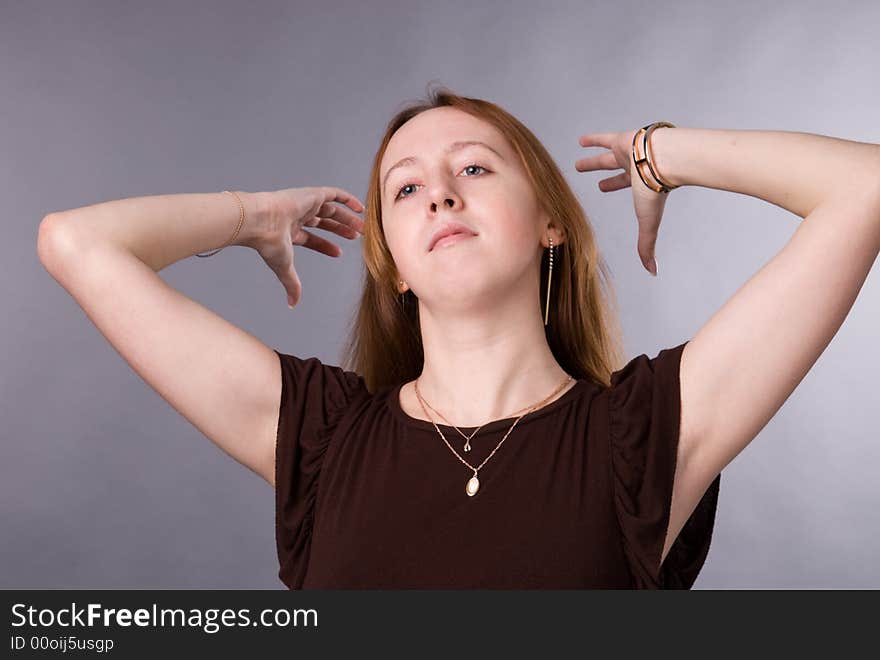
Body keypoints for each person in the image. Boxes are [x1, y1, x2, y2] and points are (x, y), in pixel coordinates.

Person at [37, 86, 880, 589]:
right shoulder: (321, 439)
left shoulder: (646, 432)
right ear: (394, 267)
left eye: (474, 168)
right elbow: (75, 244)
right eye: (405, 190)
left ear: (551, 219)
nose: (439, 195)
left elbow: (865, 187)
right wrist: (253, 215)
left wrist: (663, 153)